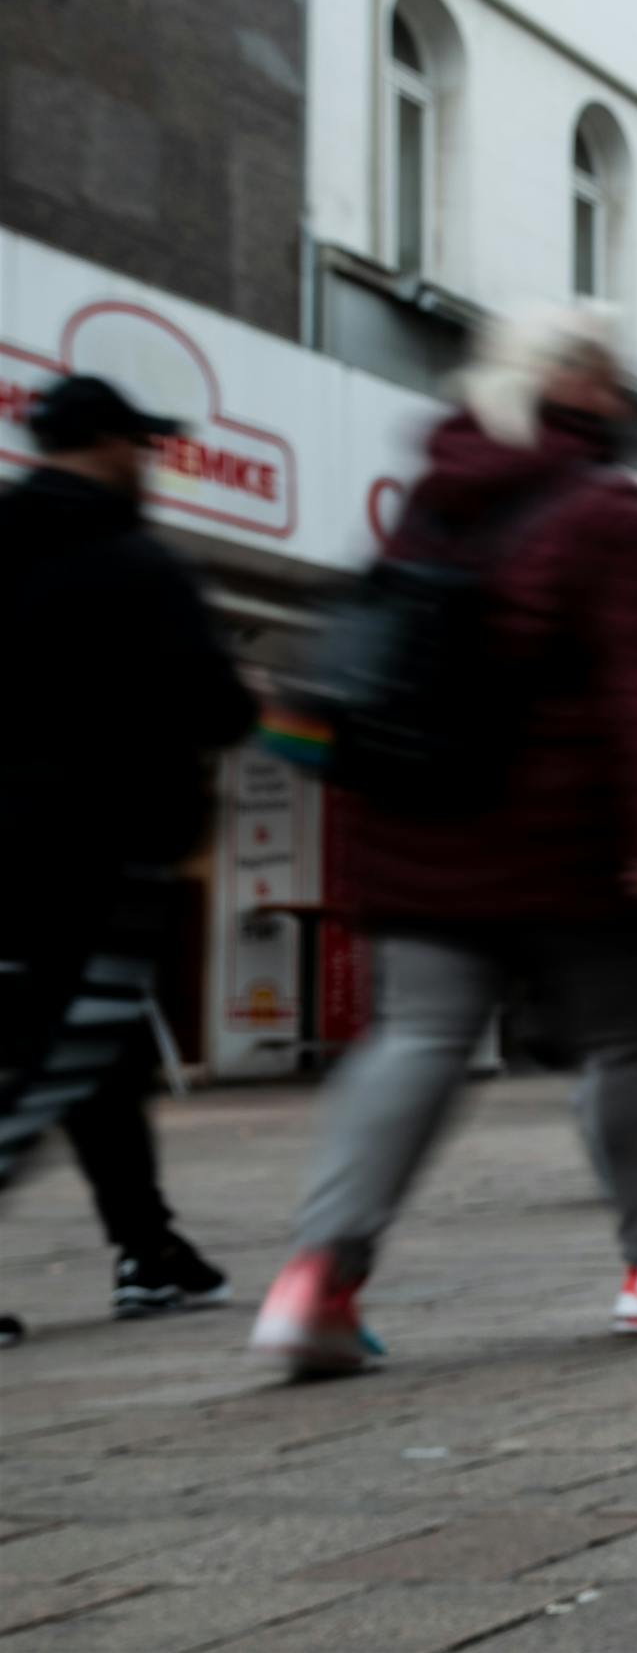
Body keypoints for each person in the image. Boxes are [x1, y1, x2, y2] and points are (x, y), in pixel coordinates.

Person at [251, 307, 637, 1374]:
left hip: (420, 822)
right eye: (615, 375)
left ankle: (317, 1277)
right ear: (578, 383)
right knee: (626, 1041)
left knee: (416, 1038)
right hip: (567, 839)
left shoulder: (435, 491)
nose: (626, 396)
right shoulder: (605, 504)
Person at [0, 377, 256, 1338]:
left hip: (28, 847)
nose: (145, 463)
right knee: (70, 1056)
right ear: (105, 444)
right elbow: (217, 706)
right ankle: (149, 1251)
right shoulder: (134, 563)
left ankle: (151, 1251)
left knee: (90, 1053)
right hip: (95, 854)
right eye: (137, 445)